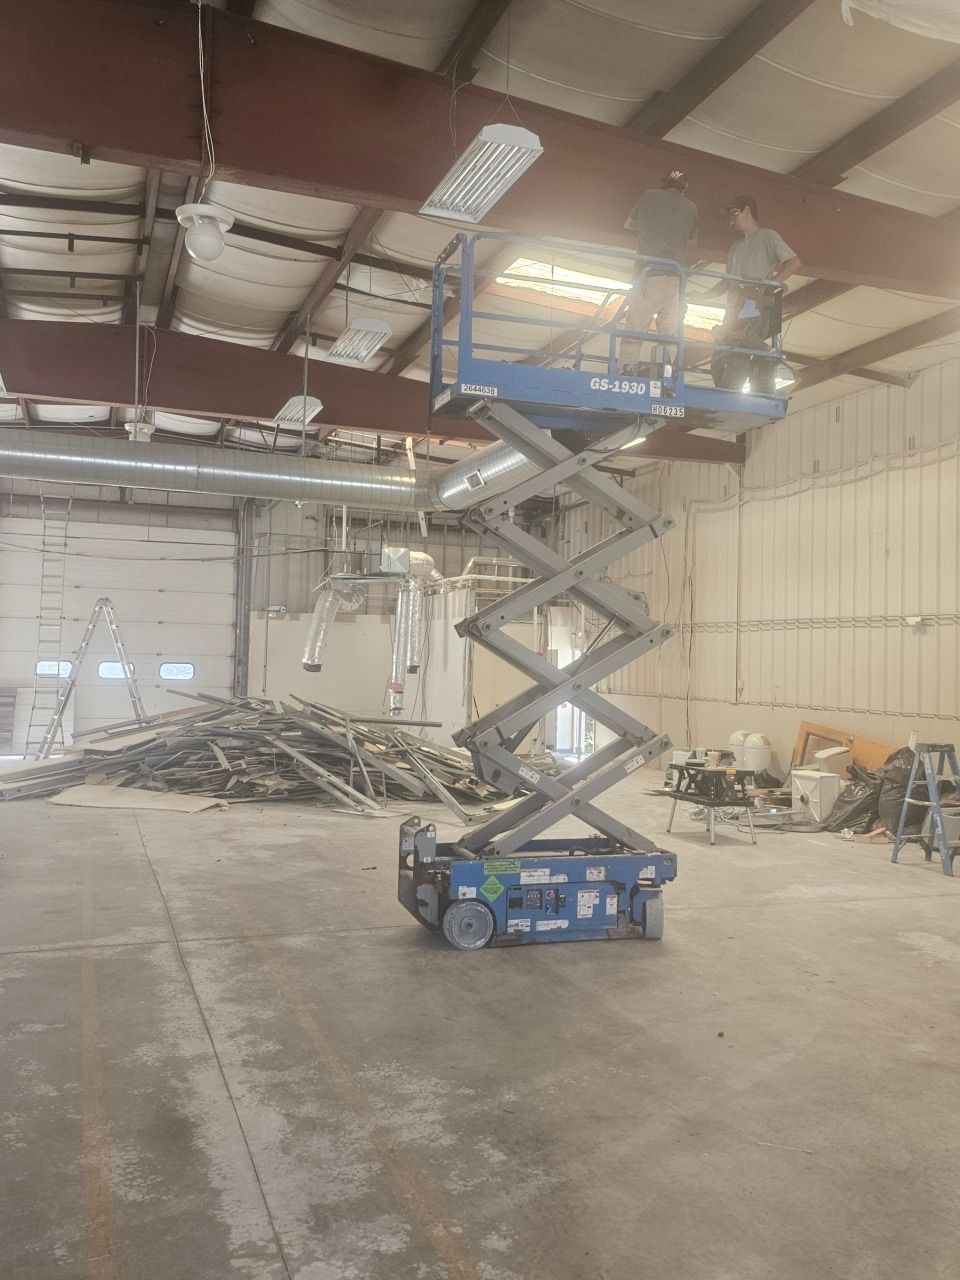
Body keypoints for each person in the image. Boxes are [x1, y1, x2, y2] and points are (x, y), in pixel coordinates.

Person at [708, 195, 801, 392]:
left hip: (753, 302)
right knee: (719, 353)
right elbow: (727, 281)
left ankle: (729, 395)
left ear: (747, 211)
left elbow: (794, 263)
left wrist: (768, 285)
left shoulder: (767, 236)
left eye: (735, 214)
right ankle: (766, 357)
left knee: (736, 347)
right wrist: (702, 296)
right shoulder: (736, 247)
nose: (731, 222)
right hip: (734, 306)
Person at [620, 170, 698, 374]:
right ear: (685, 189)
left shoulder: (649, 196)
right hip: (676, 276)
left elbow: (628, 224)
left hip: (649, 273)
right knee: (669, 330)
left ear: (665, 184)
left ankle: (626, 370)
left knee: (636, 326)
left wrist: (649, 227)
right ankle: (668, 375)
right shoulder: (691, 207)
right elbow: (692, 245)